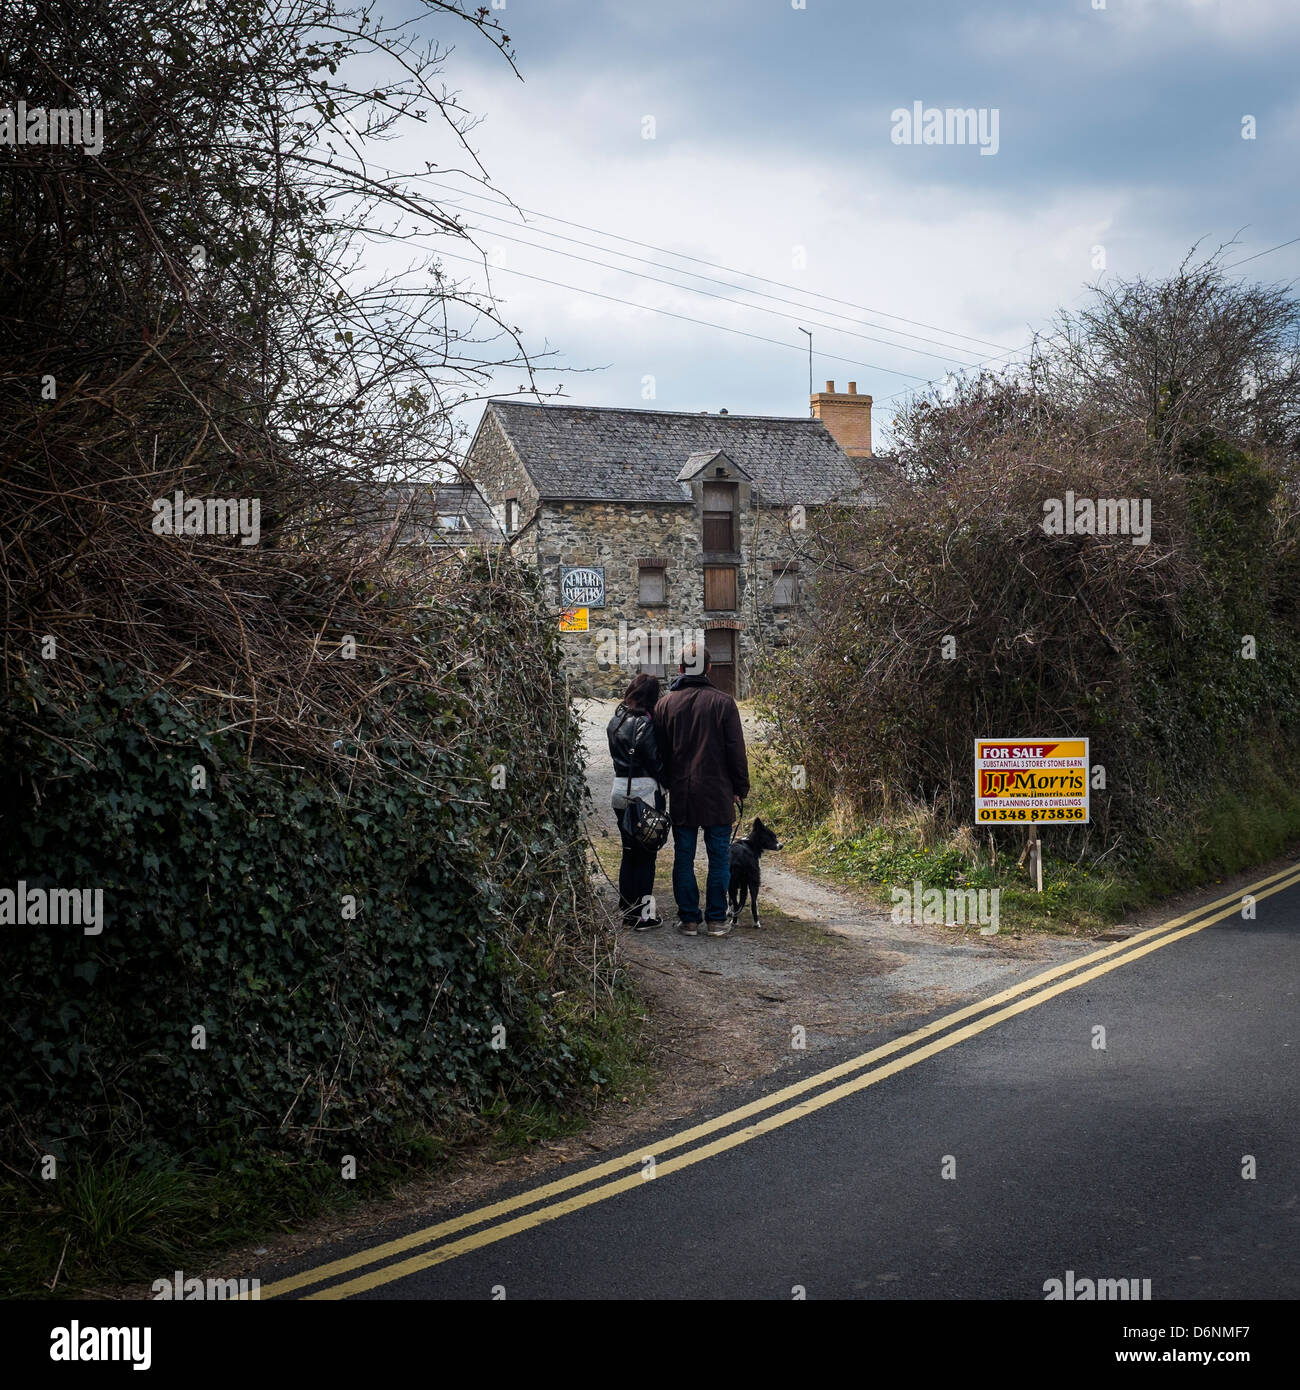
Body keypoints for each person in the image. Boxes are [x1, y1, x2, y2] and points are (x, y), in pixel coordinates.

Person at [653, 641, 750, 937]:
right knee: (719, 856)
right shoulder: (723, 702)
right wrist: (740, 788)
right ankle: (717, 919)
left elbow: (660, 753)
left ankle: (689, 919)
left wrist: (667, 783)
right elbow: (736, 750)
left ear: (681, 668)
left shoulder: (665, 704)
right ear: (708, 668)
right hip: (718, 793)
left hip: (683, 794)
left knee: (684, 856)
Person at [607, 673, 666, 930]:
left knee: (629, 852)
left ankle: (628, 911)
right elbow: (655, 762)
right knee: (646, 857)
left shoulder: (615, 721)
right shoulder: (645, 724)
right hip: (643, 794)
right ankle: (644, 915)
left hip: (619, 791)